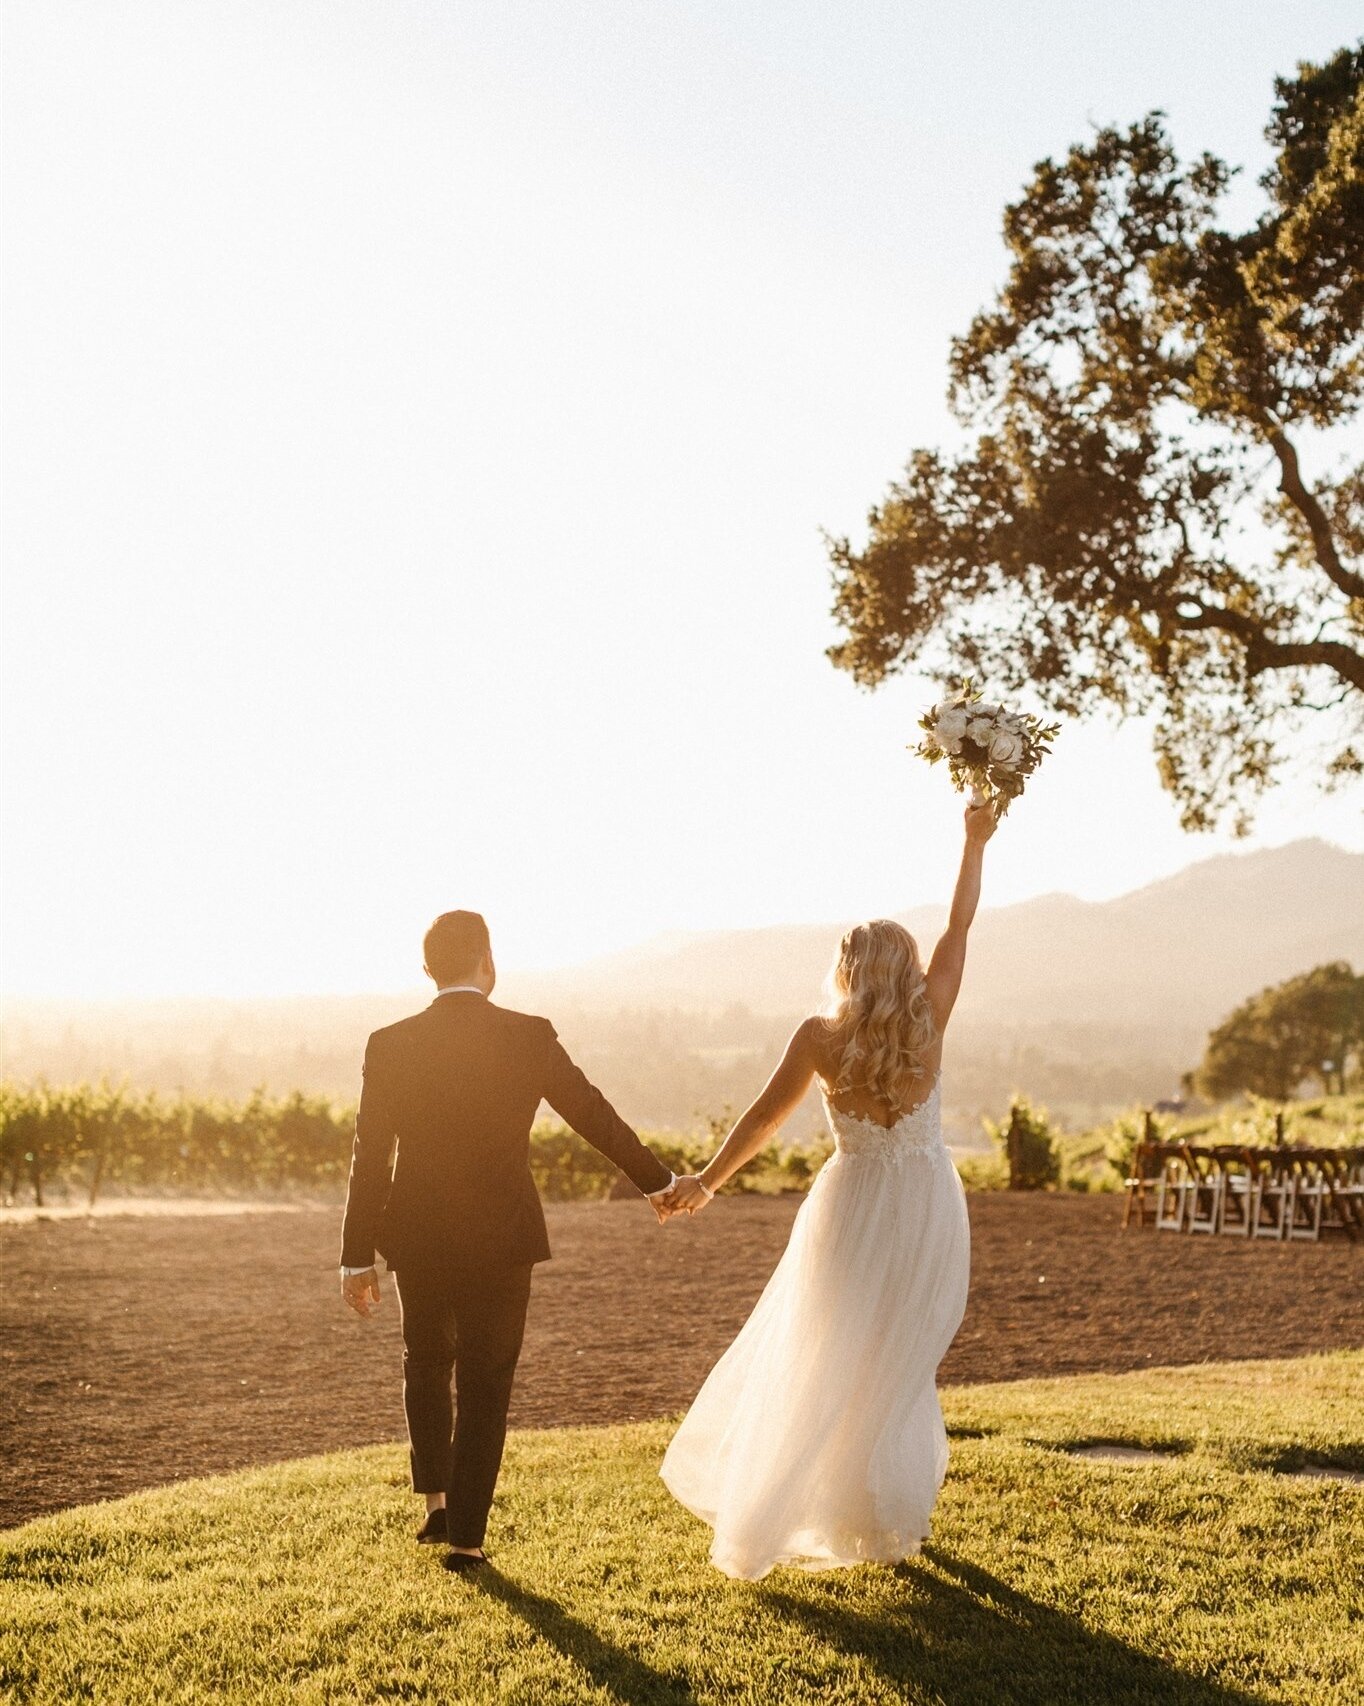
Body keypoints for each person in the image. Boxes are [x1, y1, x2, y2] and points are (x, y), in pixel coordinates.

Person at [657, 797, 997, 1578]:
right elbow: (961, 926)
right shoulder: (929, 1018)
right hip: (923, 1208)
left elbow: (763, 1119)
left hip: (849, 1209)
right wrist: (973, 841)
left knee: (832, 1352)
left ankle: (847, 1505)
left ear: (846, 970)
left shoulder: (819, 1037)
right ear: (905, 969)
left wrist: (709, 1180)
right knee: (898, 1359)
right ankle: (877, 1509)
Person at [339, 910, 677, 1574]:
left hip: (418, 1234)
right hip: (502, 1235)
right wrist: (657, 1180)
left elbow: (368, 1156)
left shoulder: (390, 1043)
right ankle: (466, 1540)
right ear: (488, 963)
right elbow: (591, 1113)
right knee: (487, 1380)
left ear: (427, 969)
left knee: (425, 1359)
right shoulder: (528, 1036)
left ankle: (436, 1502)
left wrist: (356, 1254)